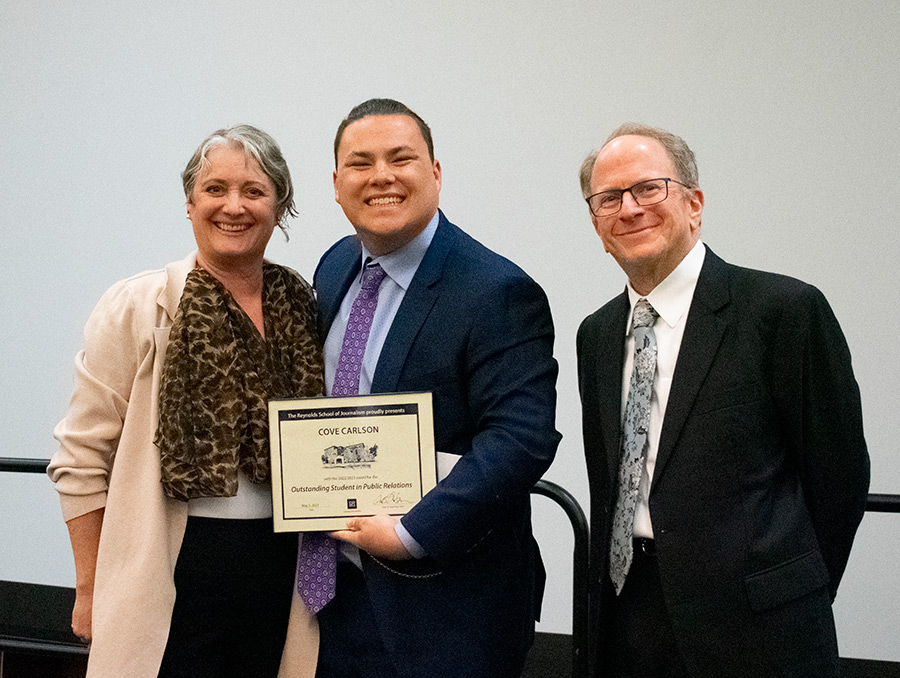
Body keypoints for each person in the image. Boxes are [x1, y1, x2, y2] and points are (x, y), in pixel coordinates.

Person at [576, 123, 870, 677]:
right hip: (628, 619)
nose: (630, 208)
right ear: (597, 225)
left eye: (648, 188)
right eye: (609, 198)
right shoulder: (596, 333)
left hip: (758, 631)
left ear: (694, 203)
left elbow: (840, 475)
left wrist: (791, 593)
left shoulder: (783, 311)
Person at [48, 125, 323, 678]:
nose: (233, 206)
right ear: (190, 203)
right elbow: (80, 459)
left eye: (254, 190)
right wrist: (89, 587)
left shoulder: (303, 300)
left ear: (280, 205)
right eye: (215, 189)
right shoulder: (139, 304)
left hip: (280, 565)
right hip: (174, 562)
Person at [309, 98, 561, 678]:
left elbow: (519, 441)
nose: (381, 177)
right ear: (337, 183)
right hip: (330, 594)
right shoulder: (334, 266)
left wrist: (410, 534)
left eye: (401, 158)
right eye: (360, 163)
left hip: (442, 612)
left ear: (436, 172)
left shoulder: (496, 290)